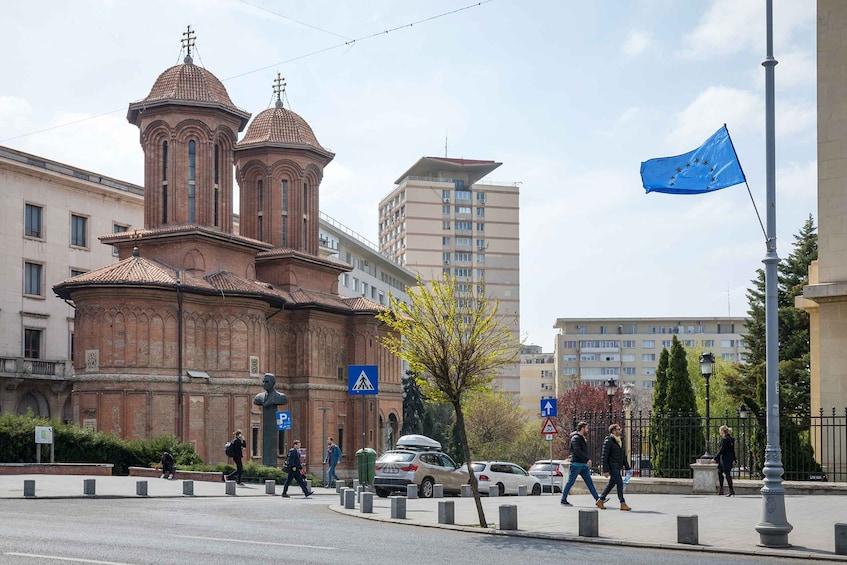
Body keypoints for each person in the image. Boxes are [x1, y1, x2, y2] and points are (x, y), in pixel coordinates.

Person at [560, 421, 601, 506]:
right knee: (570, 482)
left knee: (589, 482)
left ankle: (597, 499)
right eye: (587, 428)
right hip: (576, 465)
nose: (588, 430)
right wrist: (587, 459)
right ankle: (563, 499)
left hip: (583, 465)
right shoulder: (575, 438)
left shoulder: (582, 438)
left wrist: (586, 460)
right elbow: (577, 451)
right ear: (582, 428)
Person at [596, 423, 631, 511]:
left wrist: (627, 467)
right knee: (620, 483)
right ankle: (622, 503)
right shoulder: (609, 441)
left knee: (612, 483)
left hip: (618, 466)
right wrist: (605, 470)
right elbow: (604, 456)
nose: (620, 431)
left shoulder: (620, 440)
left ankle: (601, 500)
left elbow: (623, 455)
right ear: (614, 431)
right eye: (618, 429)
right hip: (612, 466)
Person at [714, 424, 738, 496]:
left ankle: (731, 490)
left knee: (727, 474)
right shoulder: (731, 439)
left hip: (724, 459)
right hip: (728, 459)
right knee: (720, 472)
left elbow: (722, 450)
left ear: (722, 431)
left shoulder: (725, 439)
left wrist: (715, 458)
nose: (720, 433)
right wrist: (734, 459)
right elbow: (732, 450)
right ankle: (721, 489)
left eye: (720, 431)